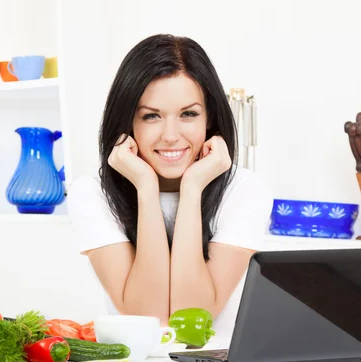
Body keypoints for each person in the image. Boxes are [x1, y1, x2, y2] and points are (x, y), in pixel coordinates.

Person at [68, 34, 272, 333]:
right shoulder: (92, 194)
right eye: (151, 116)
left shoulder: (245, 191)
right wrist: (146, 189)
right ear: (127, 123)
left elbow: (193, 315)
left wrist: (192, 189)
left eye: (188, 114)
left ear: (210, 119)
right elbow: (149, 319)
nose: (171, 135)